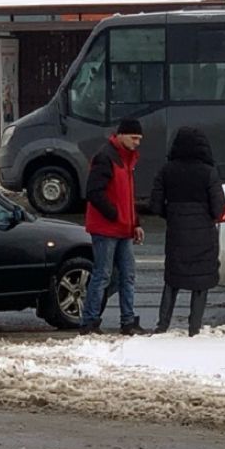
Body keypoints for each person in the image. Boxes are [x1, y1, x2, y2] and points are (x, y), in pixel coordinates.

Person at [149, 126, 225, 336]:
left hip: (176, 233)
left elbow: (154, 205)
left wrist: (173, 214)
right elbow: (219, 208)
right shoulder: (208, 172)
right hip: (204, 236)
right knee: (200, 282)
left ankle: (163, 324)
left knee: (172, 279)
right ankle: (194, 327)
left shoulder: (166, 170)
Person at [80, 118, 149, 336]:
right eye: (134, 138)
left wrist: (134, 222)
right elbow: (93, 192)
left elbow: (127, 196)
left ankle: (126, 321)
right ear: (121, 135)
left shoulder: (124, 158)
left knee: (124, 276)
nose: (137, 143)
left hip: (121, 228)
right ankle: (91, 321)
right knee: (104, 275)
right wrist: (116, 215)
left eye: (139, 139)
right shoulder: (107, 157)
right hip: (107, 228)